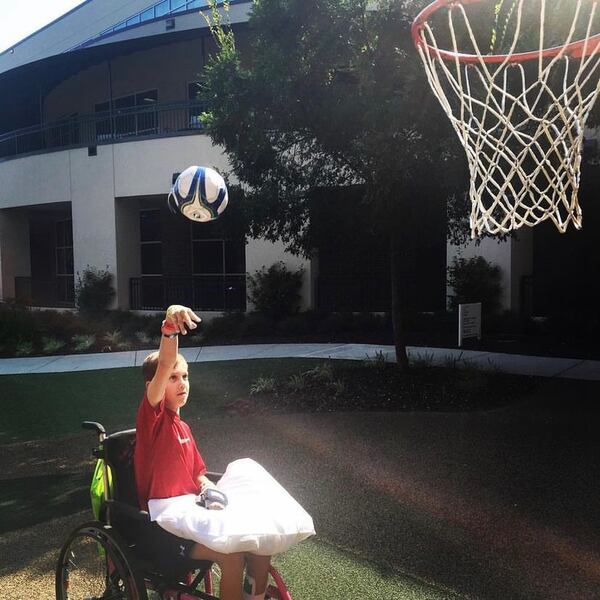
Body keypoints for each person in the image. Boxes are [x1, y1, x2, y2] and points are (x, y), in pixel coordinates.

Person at [134, 304, 271, 600]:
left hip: (193, 517)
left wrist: (209, 488)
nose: (182, 383)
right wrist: (171, 322)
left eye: (185, 376)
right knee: (232, 557)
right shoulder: (153, 419)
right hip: (164, 532)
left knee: (261, 543)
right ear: (154, 386)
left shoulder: (183, 428)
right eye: (173, 378)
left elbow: (198, 474)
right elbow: (166, 360)